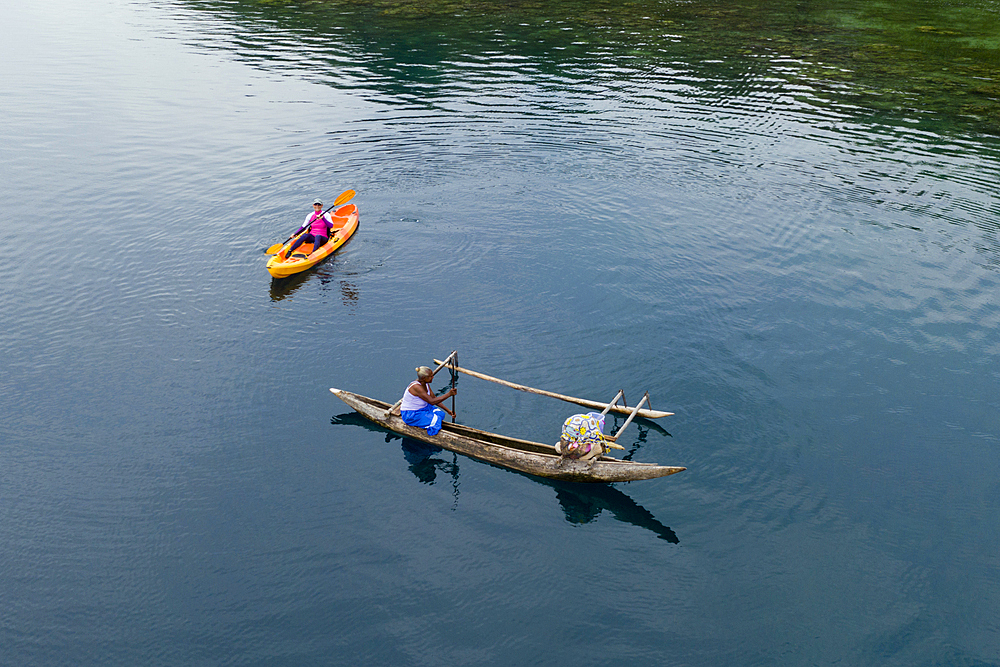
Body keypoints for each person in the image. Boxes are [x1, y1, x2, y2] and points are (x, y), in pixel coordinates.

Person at [399, 366, 457, 436]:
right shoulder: (416, 387)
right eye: (430, 376)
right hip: (411, 414)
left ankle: (425, 422)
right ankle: (430, 433)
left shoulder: (425, 384)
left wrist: (448, 411)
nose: (433, 377)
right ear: (424, 378)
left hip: (423, 408)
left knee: (441, 414)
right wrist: (449, 394)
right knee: (436, 420)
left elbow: (434, 398)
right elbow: (432, 401)